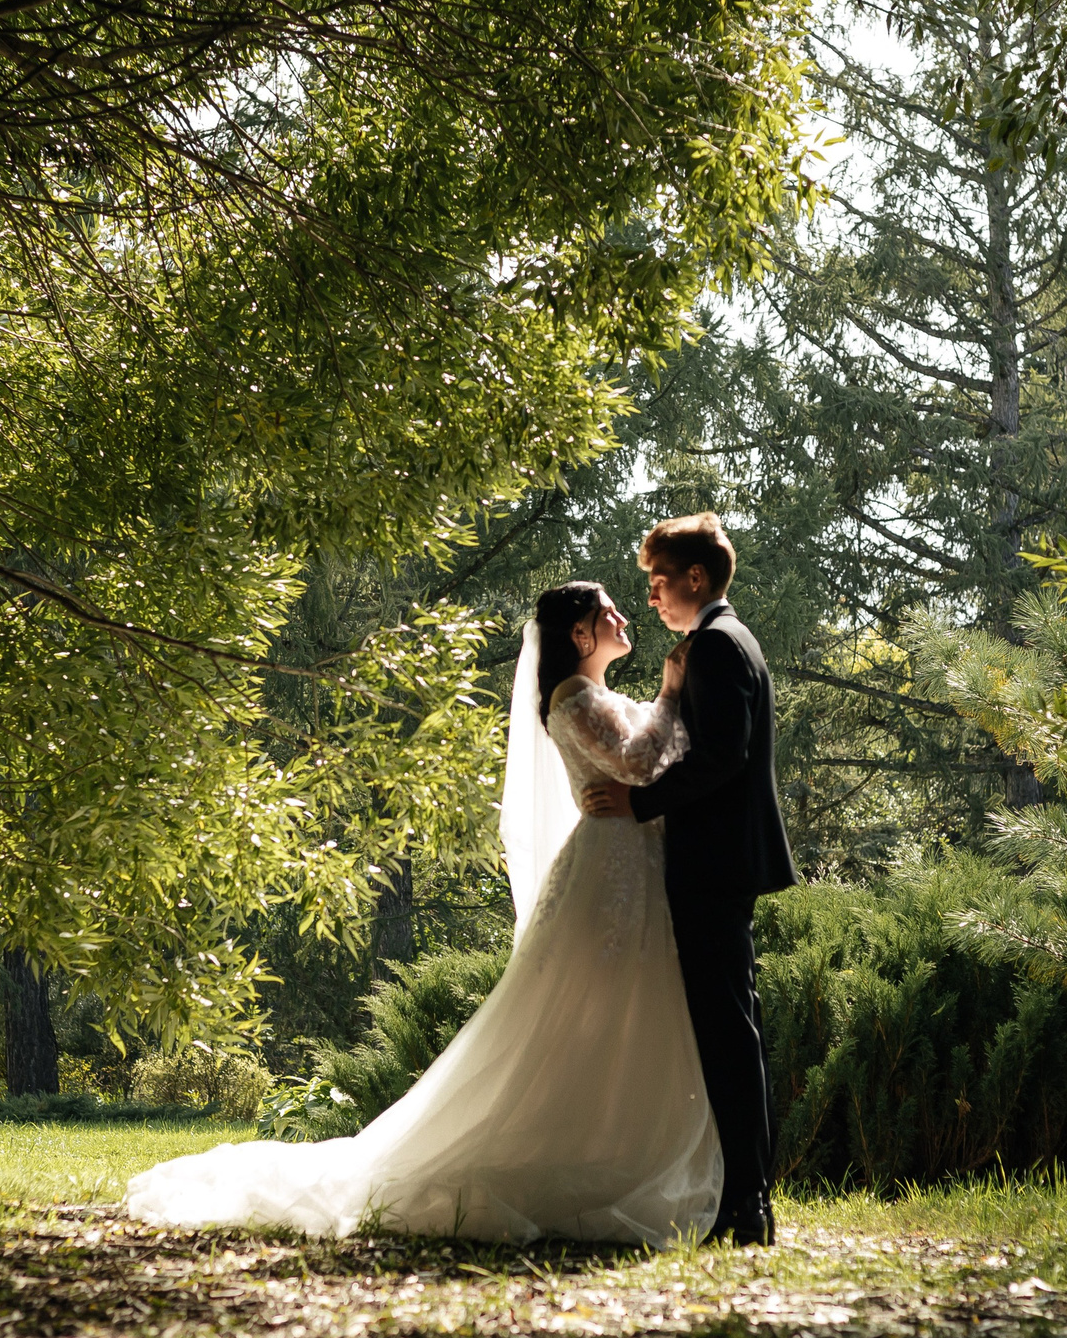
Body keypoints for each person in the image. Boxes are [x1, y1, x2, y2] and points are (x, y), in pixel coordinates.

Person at [122, 580, 721, 1244]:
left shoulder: (598, 695)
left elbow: (660, 760)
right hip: (608, 874)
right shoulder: (573, 698)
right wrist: (672, 691)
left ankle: (609, 1155)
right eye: (607, 611)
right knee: (582, 1016)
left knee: (620, 1017)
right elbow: (640, 763)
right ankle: (573, 1163)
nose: (622, 616)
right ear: (580, 634)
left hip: (633, 866)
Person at [582, 512, 796, 1245]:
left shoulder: (714, 646)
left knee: (728, 1029)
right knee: (734, 1024)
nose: (650, 596)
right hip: (724, 860)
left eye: (658, 581)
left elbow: (722, 757)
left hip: (715, 862)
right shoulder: (726, 641)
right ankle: (747, 1196)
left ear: (695, 579)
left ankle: (748, 1203)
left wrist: (638, 801)